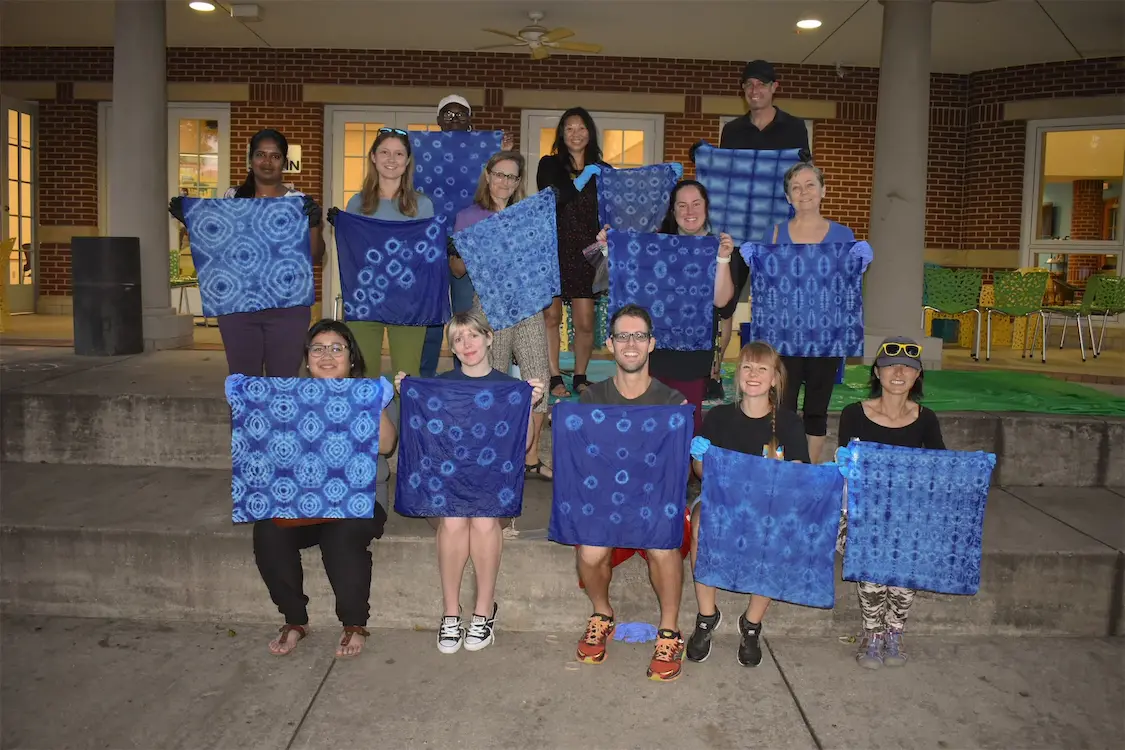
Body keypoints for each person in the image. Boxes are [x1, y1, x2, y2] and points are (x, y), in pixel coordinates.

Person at [394, 310, 543, 653]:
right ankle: (450, 613)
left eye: (473, 335)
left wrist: (528, 407)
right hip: (448, 488)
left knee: (485, 519)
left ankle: (483, 611)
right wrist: (409, 393)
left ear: (490, 338)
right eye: (458, 339)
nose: (467, 344)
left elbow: (520, 451)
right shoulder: (439, 387)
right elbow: (426, 444)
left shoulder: (510, 388)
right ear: (452, 349)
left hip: (494, 488)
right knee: (455, 517)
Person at [253, 319, 399, 659]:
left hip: (359, 501)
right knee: (269, 531)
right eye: (318, 348)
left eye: (337, 348)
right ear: (307, 358)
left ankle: (354, 623)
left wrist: (368, 404)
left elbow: (387, 444)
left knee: (342, 538)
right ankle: (295, 620)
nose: (328, 355)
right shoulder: (290, 399)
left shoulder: (371, 393)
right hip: (304, 503)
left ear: (351, 359)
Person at [574, 304, 689, 682]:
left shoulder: (673, 402)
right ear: (609, 344)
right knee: (590, 550)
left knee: (663, 542)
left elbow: (678, 471)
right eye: (622, 335)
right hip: (607, 499)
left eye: (639, 335)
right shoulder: (592, 399)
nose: (631, 343)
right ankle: (602, 614)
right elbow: (584, 464)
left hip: (653, 500)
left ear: (651, 344)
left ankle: (669, 632)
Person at [686, 341, 809, 666]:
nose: (753, 375)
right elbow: (702, 474)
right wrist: (699, 458)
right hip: (722, 500)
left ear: (775, 379)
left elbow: (799, 475)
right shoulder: (719, 417)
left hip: (769, 506)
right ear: (737, 375)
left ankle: (752, 623)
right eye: (747, 368)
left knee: (780, 529)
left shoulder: (789, 423)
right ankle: (706, 615)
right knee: (700, 523)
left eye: (762, 369)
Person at [168, 128, 324, 377]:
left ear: (284, 161)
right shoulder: (232, 199)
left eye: (275, 156)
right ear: (250, 159)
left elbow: (315, 256)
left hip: (288, 308)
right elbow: (217, 246)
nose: (267, 161)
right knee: (243, 383)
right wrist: (192, 220)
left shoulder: (298, 202)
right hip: (237, 306)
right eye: (261, 154)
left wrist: (313, 224)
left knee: (283, 383)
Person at [596, 179, 743, 434]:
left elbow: (721, 301)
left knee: (686, 424)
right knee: (647, 422)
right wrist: (612, 251)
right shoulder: (653, 247)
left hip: (692, 357)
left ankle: (682, 474)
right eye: (682, 205)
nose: (689, 211)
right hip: (651, 352)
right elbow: (625, 281)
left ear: (706, 209)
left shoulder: (718, 247)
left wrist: (722, 258)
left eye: (696, 204)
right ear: (673, 211)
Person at [837, 336, 944, 670]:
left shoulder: (926, 419)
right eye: (890, 366)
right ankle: (873, 634)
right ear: (877, 372)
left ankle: (894, 632)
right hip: (861, 514)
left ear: (917, 375)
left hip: (907, 515)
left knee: (907, 542)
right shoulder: (853, 414)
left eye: (908, 368)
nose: (899, 372)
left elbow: (940, 471)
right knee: (874, 543)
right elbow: (849, 475)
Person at [708, 59, 811, 402]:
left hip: (777, 236)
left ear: (774, 88)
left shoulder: (795, 128)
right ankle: (713, 373)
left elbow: (801, 180)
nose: (755, 90)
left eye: (761, 85)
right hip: (735, 232)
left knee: (773, 306)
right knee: (722, 306)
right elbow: (724, 179)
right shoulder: (732, 131)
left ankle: (774, 380)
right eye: (749, 85)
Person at [452, 151, 553, 479]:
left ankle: (531, 456)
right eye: (499, 174)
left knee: (539, 376)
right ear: (487, 174)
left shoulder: (526, 216)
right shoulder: (469, 216)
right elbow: (456, 271)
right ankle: (492, 454)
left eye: (511, 176)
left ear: (518, 182)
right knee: (490, 376)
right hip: (489, 305)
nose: (504, 182)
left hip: (528, 303)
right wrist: (459, 249)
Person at [419, 95, 517, 377]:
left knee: (466, 315)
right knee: (431, 317)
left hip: (469, 243)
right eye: (448, 115)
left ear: (470, 120)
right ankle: (427, 377)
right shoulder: (424, 155)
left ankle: (468, 375)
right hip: (429, 243)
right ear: (437, 121)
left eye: (460, 114)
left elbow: (502, 182)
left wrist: (502, 152)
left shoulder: (483, 154)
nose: (454, 120)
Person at [769, 161, 856, 464]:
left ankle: (810, 474)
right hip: (785, 339)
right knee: (784, 410)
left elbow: (849, 287)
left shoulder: (844, 236)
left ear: (823, 191)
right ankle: (784, 474)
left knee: (816, 411)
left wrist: (860, 260)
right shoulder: (776, 234)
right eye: (796, 187)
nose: (803, 192)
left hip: (826, 340)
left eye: (810, 185)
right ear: (788, 197)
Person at [330, 128, 435, 379]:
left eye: (399, 153)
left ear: (407, 161)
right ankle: (367, 420)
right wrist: (343, 227)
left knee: (407, 378)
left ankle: (404, 420)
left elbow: (426, 258)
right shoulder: (357, 203)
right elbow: (353, 254)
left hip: (409, 301)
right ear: (373, 157)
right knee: (362, 376)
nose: (391, 159)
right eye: (385, 152)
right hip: (366, 297)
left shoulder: (422, 205)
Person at [537, 107, 607, 399]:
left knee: (584, 321)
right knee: (551, 318)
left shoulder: (604, 170)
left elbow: (622, 204)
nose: (576, 134)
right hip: (553, 248)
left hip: (588, 252)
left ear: (590, 132)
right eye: (569, 128)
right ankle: (554, 376)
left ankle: (580, 376)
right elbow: (557, 197)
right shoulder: (549, 165)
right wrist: (581, 179)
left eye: (581, 128)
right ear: (562, 134)